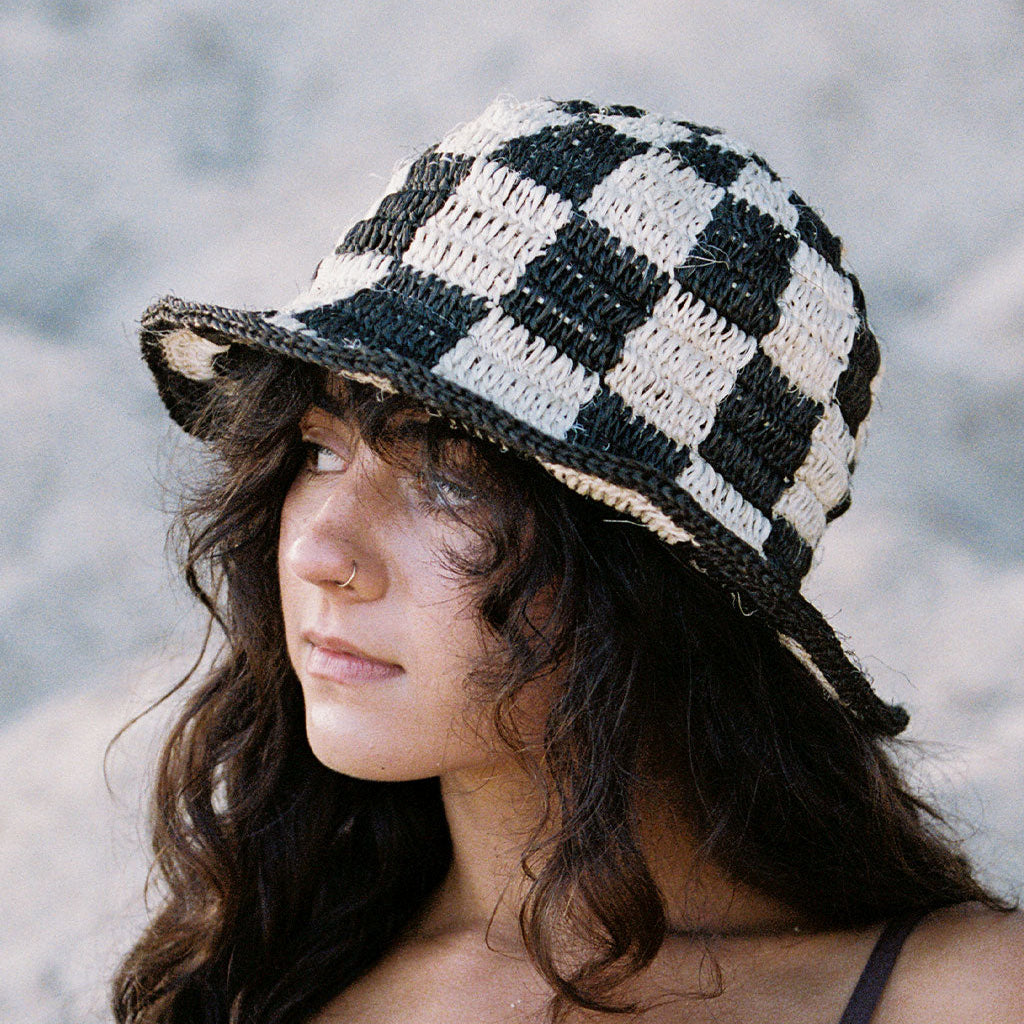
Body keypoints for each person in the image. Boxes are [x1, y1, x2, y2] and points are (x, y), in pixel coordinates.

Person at [115, 97, 1023, 1024]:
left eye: (445, 474)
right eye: (318, 449)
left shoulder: (961, 994)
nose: (316, 550)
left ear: (657, 567)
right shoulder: (245, 990)